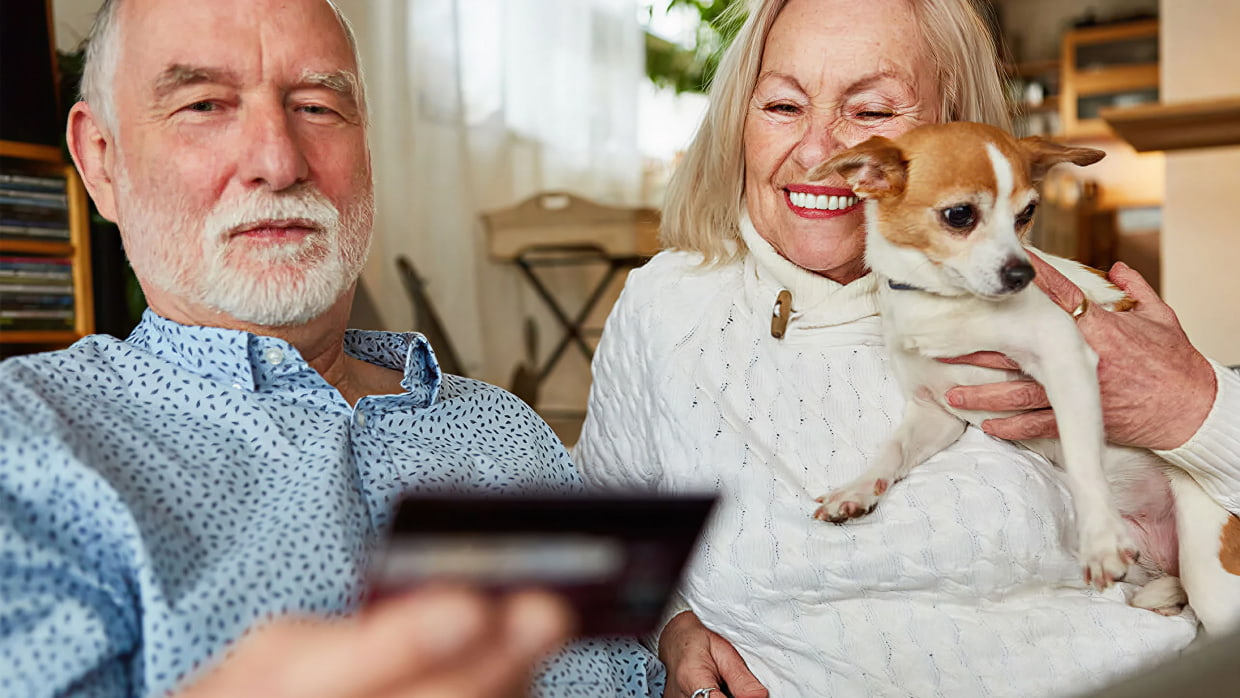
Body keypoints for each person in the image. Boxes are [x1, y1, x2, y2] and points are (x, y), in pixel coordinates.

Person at [574, 0, 1240, 697]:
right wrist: (672, 626)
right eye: (781, 106)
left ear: (955, 121)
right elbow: (600, 543)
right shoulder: (667, 308)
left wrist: (1196, 405)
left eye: (871, 110)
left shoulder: (1047, 297)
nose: (820, 153)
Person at [0, 1, 664, 696]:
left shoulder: (507, 427)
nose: (279, 162)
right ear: (100, 160)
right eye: (203, 105)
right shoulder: (30, 441)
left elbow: (631, 675)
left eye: (317, 107)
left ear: (367, 152)